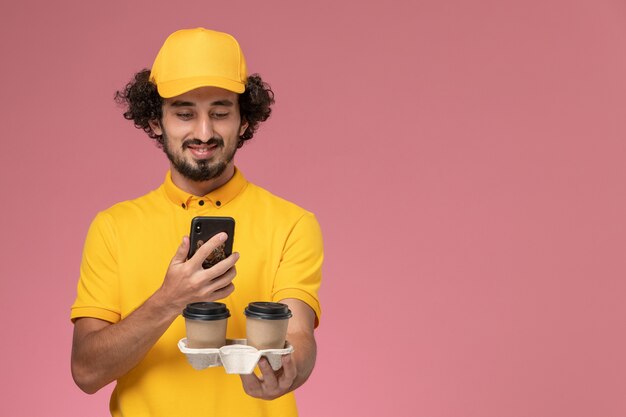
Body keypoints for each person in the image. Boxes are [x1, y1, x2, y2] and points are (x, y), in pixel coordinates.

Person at [70, 28, 323, 417]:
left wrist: (289, 370)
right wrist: (169, 299)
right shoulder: (113, 228)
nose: (203, 133)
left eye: (220, 113)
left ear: (243, 121)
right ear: (156, 121)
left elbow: (298, 335)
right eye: (184, 113)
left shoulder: (292, 223)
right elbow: (86, 371)